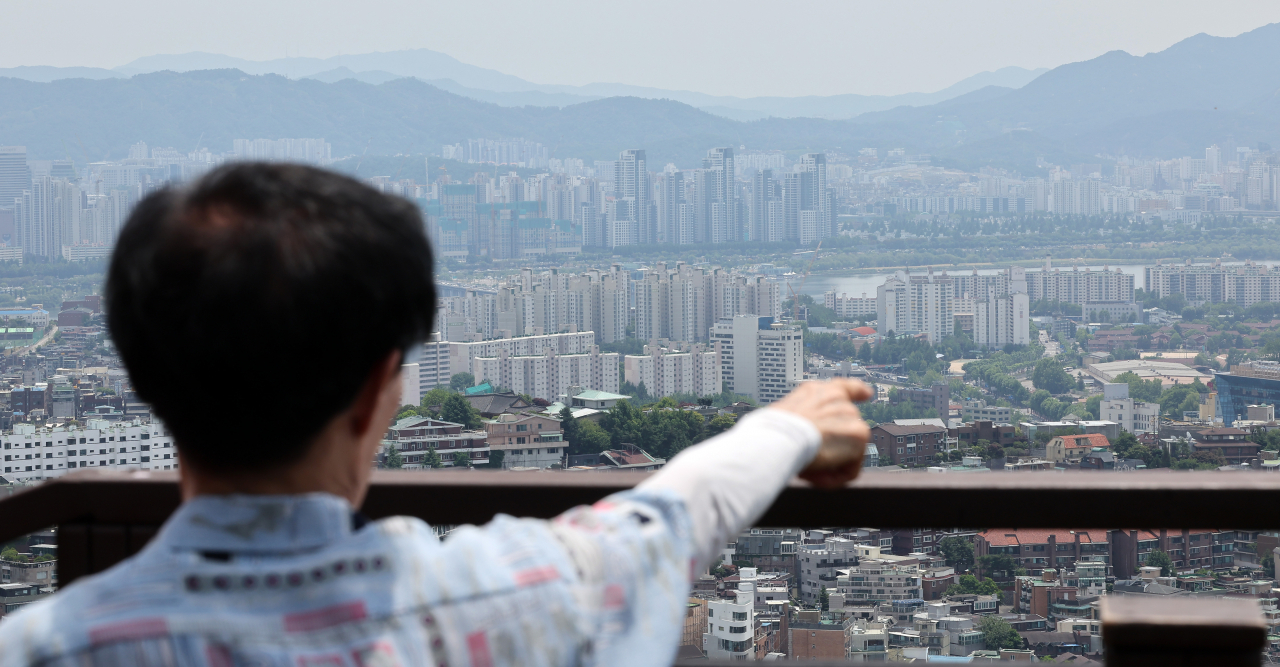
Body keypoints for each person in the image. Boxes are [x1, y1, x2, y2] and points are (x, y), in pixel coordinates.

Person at [0, 164, 871, 667]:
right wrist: (792, 423)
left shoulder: (43, 646)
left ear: (144, 377)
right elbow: (670, 519)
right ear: (384, 385)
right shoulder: (506, 600)